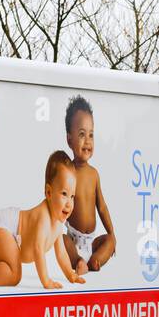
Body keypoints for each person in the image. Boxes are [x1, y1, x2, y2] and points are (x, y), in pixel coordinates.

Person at [0, 150, 85, 289]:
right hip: (7, 228)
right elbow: (37, 249)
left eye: (72, 196)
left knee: (10, 261)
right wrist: (46, 281)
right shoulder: (43, 217)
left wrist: (70, 274)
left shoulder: (57, 223)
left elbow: (61, 253)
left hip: (11, 233)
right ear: (49, 192)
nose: (69, 203)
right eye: (64, 194)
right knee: (14, 275)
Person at [62, 95, 116, 273]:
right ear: (70, 140)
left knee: (109, 240)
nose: (88, 141)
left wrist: (112, 233)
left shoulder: (94, 174)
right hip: (73, 238)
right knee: (61, 239)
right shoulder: (68, 172)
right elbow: (59, 204)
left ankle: (95, 261)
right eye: (82, 134)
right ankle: (77, 260)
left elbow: (102, 207)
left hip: (91, 242)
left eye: (91, 135)